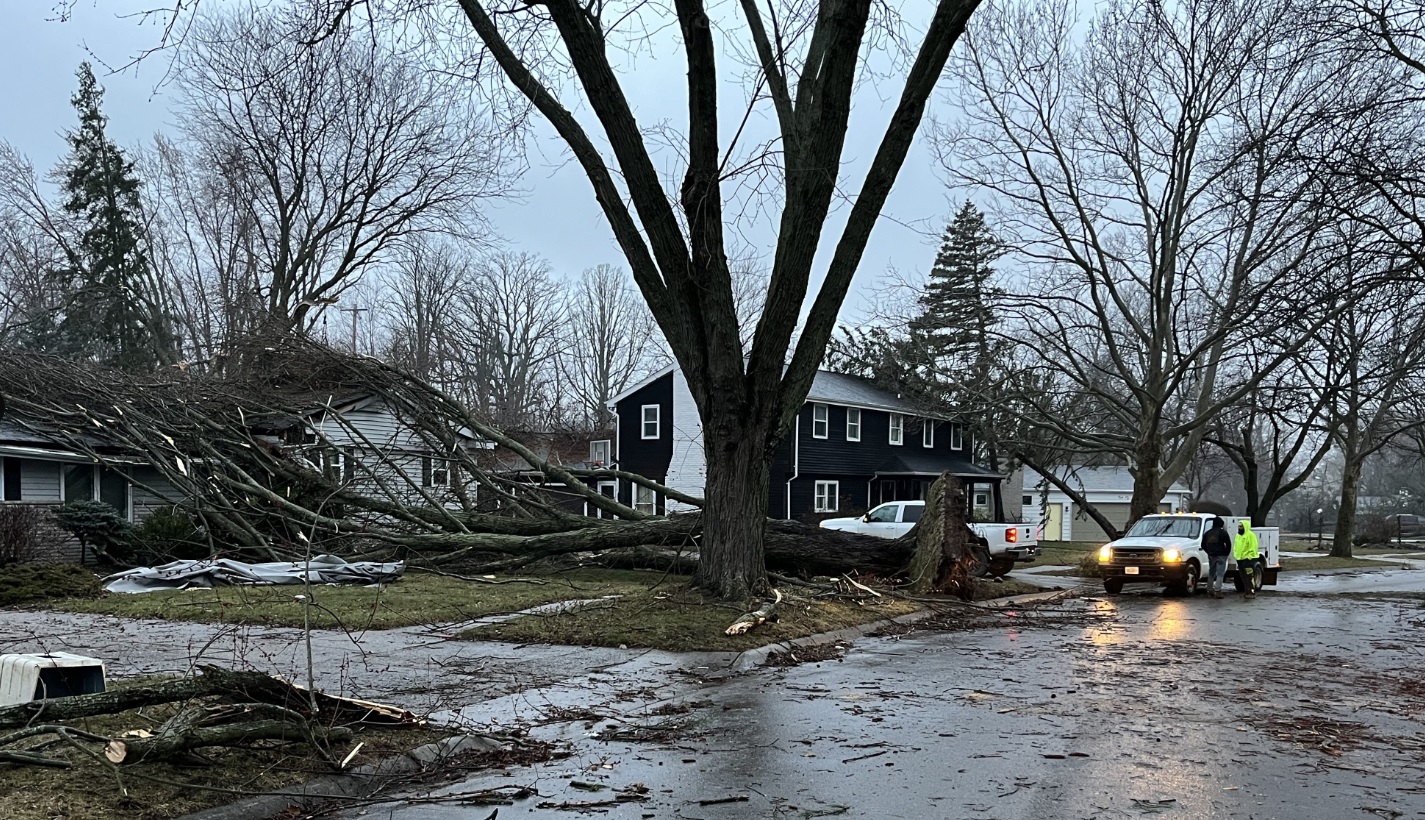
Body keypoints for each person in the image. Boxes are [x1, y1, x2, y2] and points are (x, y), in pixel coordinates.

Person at [1201, 517, 1232, 599]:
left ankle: (1209, 589)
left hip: (1211, 555)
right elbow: (1228, 544)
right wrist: (1226, 553)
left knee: (1211, 572)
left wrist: (1209, 552)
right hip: (1221, 555)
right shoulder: (1223, 532)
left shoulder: (1207, 533)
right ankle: (1217, 591)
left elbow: (1202, 545)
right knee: (1220, 573)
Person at [1234, 520, 1260, 599]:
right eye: (1239, 526)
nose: (1239, 528)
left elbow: (1253, 547)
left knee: (1249, 576)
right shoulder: (1238, 536)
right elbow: (1236, 546)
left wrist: (1250, 557)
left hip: (1249, 560)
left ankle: (1251, 591)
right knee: (1243, 576)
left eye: (1241, 526)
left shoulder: (1251, 535)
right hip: (1240, 559)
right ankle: (1246, 591)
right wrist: (1236, 555)